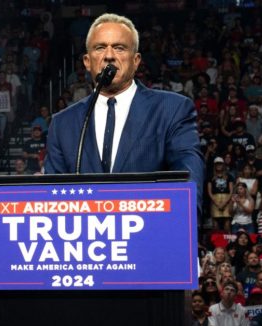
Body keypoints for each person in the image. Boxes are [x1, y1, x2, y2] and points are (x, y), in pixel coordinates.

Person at [43, 13, 204, 205]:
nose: (109, 56)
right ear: (87, 61)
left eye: (119, 48)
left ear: (136, 61)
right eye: (100, 47)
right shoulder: (62, 123)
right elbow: (51, 200)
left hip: (151, 232)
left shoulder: (172, 110)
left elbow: (188, 184)